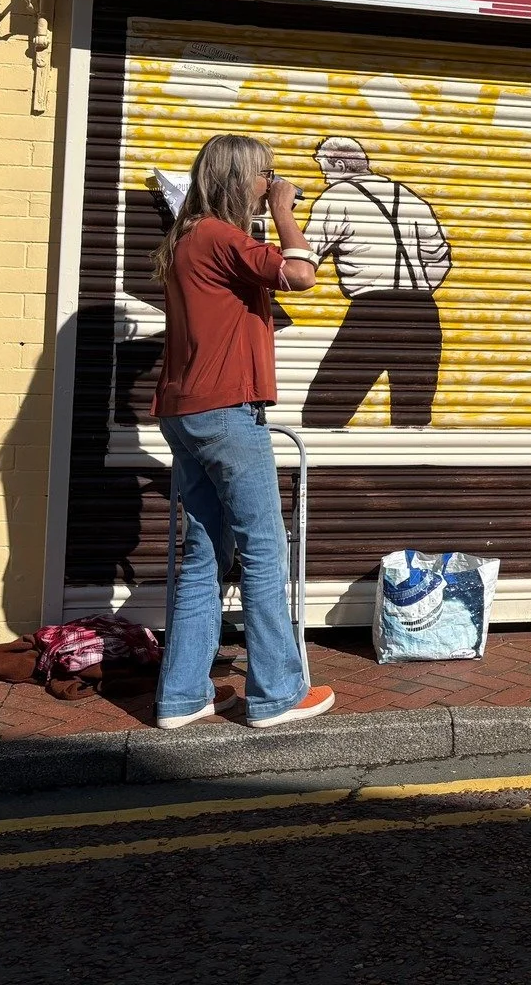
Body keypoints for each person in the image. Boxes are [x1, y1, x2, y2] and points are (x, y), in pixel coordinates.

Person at [150, 133, 335, 729]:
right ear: (237, 179)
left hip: (186, 411)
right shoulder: (219, 236)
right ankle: (277, 693)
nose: (272, 184)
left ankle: (182, 696)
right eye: (264, 176)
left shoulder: (188, 238)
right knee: (262, 551)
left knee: (206, 552)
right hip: (227, 411)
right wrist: (283, 212)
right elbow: (301, 273)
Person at [301, 136, 452, 429]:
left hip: (373, 310)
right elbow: (439, 256)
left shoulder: (336, 197)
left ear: (340, 164)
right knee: (412, 416)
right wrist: (417, 290)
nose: (323, 177)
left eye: (323, 169)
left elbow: (307, 256)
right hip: (423, 312)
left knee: (323, 409)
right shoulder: (409, 197)